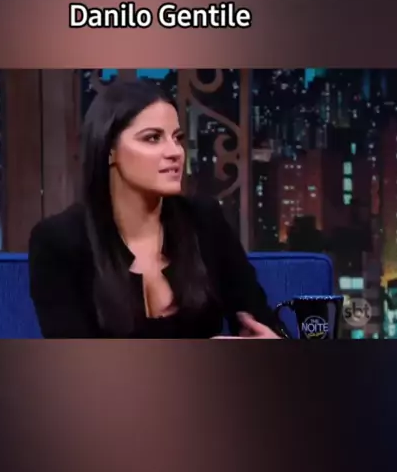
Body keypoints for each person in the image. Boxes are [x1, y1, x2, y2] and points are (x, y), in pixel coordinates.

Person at [29, 79, 284, 339]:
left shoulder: (204, 219)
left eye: (177, 138)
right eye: (152, 138)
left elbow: (261, 323)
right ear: (109, 150)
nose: (175, 152)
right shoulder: (58, 241)